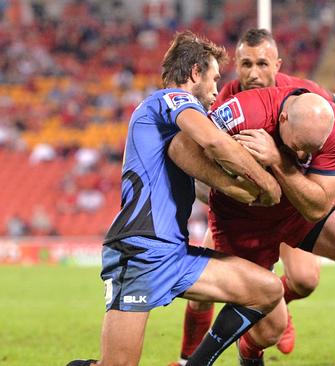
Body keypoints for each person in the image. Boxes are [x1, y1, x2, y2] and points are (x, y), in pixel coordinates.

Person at [170, 28, 335, 366]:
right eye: (245, 64)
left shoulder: (307, 98)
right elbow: (187, 153)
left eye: (262, 64)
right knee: (218, 294)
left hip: (295, 205)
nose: (253, 73)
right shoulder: (227, 102)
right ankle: (197, 354)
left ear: (278, 65)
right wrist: (230, 187)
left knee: (306, 279)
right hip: (242, 215)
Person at [66, 30, 285, 366]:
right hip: (139, 250)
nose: (215, 90)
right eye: (213, 79)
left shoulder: (171, 120)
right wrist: (265, 184)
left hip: (174, 253)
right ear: (195, 73)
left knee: (267, 290)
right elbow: (214, 142)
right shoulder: (167, 100)